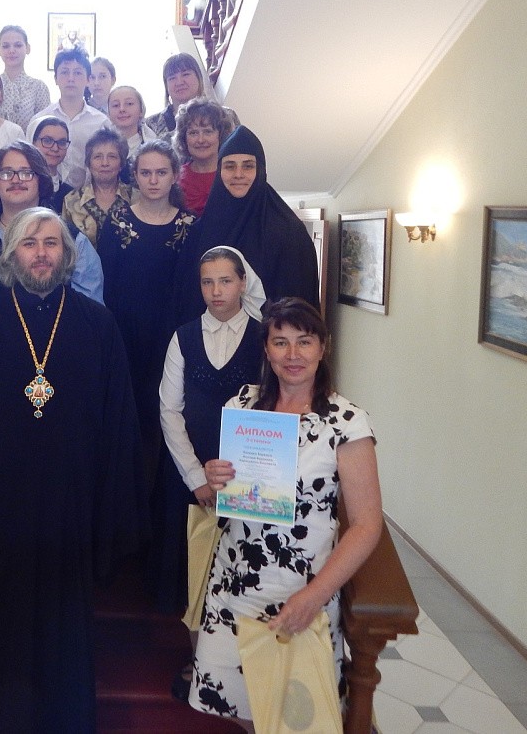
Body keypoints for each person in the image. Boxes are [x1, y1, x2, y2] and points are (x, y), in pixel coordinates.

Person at [0, 207, 145, 733]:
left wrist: (109, 516)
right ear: (10, 255)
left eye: (51, 243)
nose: (41, 253)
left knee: (63, 637)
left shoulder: (98, 326)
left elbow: (119, 428)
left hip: (71, 511)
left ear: (67, 254)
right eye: (29, 243)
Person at [188, 298, 383, 731]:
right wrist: (215, 478)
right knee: (240, 707)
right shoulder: (243, 405)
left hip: (302, 590)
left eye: (304, 341)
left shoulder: (346, 423)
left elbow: (368, 525)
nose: (293, 354)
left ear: (323, 348)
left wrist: (313, 597)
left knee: (294, 716)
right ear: (266, 349)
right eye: (280, 342)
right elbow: (230, 499)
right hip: (234, 584)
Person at [156, 247, 266, 617]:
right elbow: (170, 410)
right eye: (207, 282)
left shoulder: (265, 338)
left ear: (243, 283)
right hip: (191, 465)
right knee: (192, 574)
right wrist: (195, 476)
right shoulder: (183, 338)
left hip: (246, 469)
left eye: (225, 281)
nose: (216, 291)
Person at [0, 141, 104, 366]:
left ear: (41, 180)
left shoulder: (72, 240)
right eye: (7, 173)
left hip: (58, 362)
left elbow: (91, 313)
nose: (15, 180)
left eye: (26, 173)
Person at [97, 141, 195, 502]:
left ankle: (161, 507)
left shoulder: (189, 226)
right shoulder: (117, 223)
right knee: (129, 422)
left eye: (161, 172)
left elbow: (190, 290)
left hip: (171, 341)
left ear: (175, 175)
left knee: (166, 419)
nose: (153, 180)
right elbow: (105, 286)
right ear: (134, 176)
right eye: (146, 172)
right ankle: (127, 505)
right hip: (125, 339)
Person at [173, 125, 320, 323]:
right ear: (219, 170)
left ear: (261, 170)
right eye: (230, 166)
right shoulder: (200, 232)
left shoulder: (289, 232)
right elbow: (186, 301)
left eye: (248, 166)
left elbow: (300, 309)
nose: (238, 174)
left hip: (268, 339)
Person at [26, 48, 108, 189]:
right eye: (64, 72)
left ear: (88, 80)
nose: (71, 78)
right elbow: (29, 161)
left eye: (77, 73)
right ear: (56, 79)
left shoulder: (101, 123)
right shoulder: (39, 120)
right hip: (45, 193)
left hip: (88, 196)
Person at [61, 127, 131, 246]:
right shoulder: (71, 201)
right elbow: (66, 246)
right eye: (98, 157)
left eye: (112, 156)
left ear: (121, 163)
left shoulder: (136, 198)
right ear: (89, 163)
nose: (105, 163)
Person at [173, 98, 227, 216]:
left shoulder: (232, 174)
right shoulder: (175, 178)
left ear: (221, 135)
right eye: (193, 133)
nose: (201, 140)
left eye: (208, 132)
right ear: (184, 138)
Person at [0, 25, 50, 130]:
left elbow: (44, 128)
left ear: (28, 48)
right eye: (6, 46)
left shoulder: (39, 87)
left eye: (18, 45)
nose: (11, 50)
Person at [145, 52, 206, 139]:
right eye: (172, 78)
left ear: (198, 77)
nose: (179, 82)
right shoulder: (151, 124)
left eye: (185, 74)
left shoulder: (220, 115)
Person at [31, 116, 75, 213]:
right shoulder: (22, 186)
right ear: (32, 142)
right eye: (47, 141)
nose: (55, 148)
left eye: (62, 142)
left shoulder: (69, 194)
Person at [107, 84, 158, 155]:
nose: (122, 109)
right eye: (116, 105)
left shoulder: (153, 148)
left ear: (141, 110)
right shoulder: (99, 146)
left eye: (129, 104)